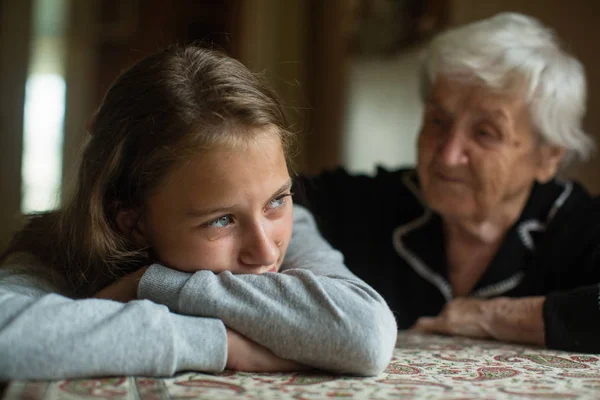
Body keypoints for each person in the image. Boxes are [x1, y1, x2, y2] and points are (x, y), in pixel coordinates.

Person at [0, 45, 397, 380]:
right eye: (221, 220)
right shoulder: (56, 253)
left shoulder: (291, 230)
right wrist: (220, 345)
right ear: (134, 225)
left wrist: (153, 283)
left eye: (277, 199)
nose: (265, 252)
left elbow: (364, 333)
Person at [293, 12, 600, 353]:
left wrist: (496, 317)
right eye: (438, 121)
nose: (449, 155)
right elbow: (271, 200)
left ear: (548, 158)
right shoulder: (379, 203)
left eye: (485, 133)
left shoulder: (581, 227)